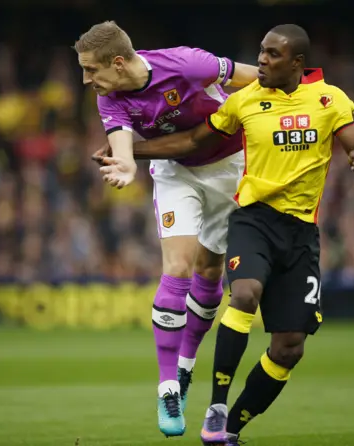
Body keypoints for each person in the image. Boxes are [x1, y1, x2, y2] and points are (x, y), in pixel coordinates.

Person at [98, 24, 354, 445]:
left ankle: (213, 404)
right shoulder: (242, 101)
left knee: (270, 329)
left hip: (270, 203)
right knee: (214, 281)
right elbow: (187, 140)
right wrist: (126, 156)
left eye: (272, 54)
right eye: (261, 53)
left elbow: (352, 138)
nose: (262, 60)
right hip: (219, 196)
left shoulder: (325, 98)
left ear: (296, 62)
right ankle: (184, 391)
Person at [73, 21, 259, 437]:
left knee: (211, 274)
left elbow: (257, 79)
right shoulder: (110, 98)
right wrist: (123, 164)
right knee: (177, 268)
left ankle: (187, 366)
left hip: (232, 169)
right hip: (177, 174)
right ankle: (168, 386)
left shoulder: (188, 64)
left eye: (91, 70)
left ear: (117, 63)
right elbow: (122, 144)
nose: (87, 80)